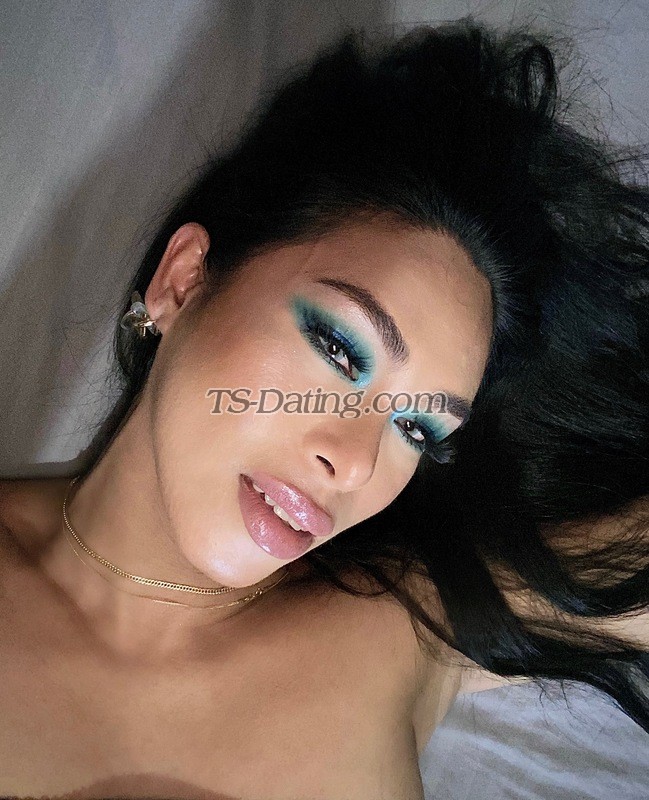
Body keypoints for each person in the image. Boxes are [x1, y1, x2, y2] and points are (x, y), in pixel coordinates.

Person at [0, 17, 646, 799]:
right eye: (340, 351)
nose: (356, 463)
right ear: (182, 280)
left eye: (416, 428)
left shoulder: (404, 620)